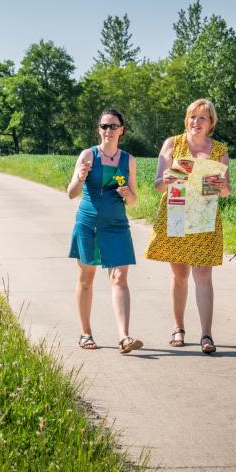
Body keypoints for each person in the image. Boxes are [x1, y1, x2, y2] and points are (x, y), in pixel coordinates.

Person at [145, 99, 231, 354]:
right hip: (177, 213)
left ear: (211, 123)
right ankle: (178, 328)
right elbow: (158, 184)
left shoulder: (219, 150)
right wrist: (170, 177)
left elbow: (227, 190)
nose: (196, 122)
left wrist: (220, 186)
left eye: (202, 118)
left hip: (204, 216)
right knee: (180, 275)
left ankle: (207, 335)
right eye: (192, 117)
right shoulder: (173, 144)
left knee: (203, 276)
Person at [68, 109, 143, 354]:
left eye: (113, 126)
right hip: (88, 222)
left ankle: (124, 337)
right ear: (99, 129)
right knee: (86, 278)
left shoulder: (128, 160)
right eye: (104, 126)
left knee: (120, 277)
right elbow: (71, 193)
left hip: (117, 225)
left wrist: (128, 194)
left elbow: (133, 202)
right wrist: (80, 177)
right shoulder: (88, 155)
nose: (108, 130)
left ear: (122, 129)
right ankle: (85, 333)